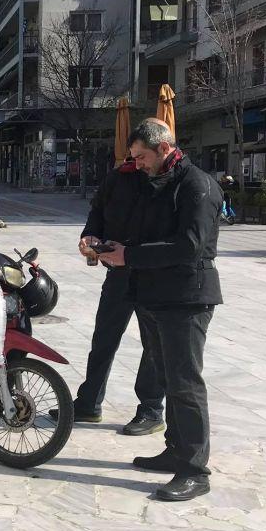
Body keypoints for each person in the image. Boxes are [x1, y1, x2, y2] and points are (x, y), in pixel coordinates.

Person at [101, 120, 222, 502]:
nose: (135, 164)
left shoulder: (196, 186)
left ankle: (194, 470)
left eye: (141, 157)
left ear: (165, 147)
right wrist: (106, 245)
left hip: (186, 299)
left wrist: (130, 255)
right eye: (133, 157)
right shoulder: (155, 183)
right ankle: (175, 449)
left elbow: (188, 246)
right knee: (169, 379)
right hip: (154, 296)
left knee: (185, 384)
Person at [67, 154, 165, 434]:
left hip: (150, 272)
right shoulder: (118, 176)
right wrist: (90, 234)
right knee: (104, 337)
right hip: (118, 271)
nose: (138, 160)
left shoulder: (167, 178)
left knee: (153, 344)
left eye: (142, 154)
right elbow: (97, 210)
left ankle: (151, 409)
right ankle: (89, 403)